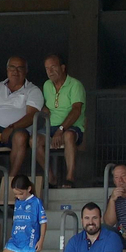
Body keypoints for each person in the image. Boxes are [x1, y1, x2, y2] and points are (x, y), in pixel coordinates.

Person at [0, 56, 44, 177]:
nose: (16, 71)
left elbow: (31, 116)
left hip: (17, 131)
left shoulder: (33, 90)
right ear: (7, 69)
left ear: (26, 71)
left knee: (20, 137)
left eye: (20, 68)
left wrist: (12, 128)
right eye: (12, 67)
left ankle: (10, 180)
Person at [33, 54, 86, 187]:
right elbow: (43, 104)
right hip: (50, 128)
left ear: (62, 68)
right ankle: (51, 177)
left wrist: (60, 130)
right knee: (33, 140)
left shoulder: (75, 85)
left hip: (72, 127)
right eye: (47, 68)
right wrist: (44, 109)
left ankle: (70, 178)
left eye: (53, 67)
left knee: (68, 135)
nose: (49, 71)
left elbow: (76, 110)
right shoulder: (46, 85)